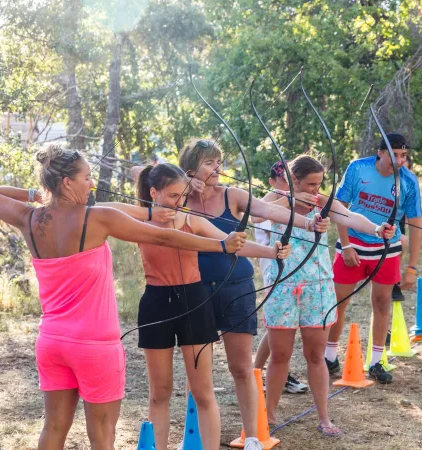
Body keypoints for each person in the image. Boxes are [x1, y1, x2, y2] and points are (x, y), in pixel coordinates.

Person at [0, 144, 247, 450]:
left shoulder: (30, 218)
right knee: (102, 437)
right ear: (67, 182)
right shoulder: (97, 217)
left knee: (52, 428)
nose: (92, 183)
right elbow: (162, 236)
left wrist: (34, 195)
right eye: (87, 177)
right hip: (94, 347)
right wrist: (222, 245)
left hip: (52, 343)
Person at [101, 163, 290, 450]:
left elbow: (232, 245)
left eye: (183, 195)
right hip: (156, 305)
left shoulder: (192, 219)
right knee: (159, 392)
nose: (179, 202)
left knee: (203, 392)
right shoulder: (139, 222)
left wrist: (270, 252)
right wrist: (150, 212)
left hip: (194, 302)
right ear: (154, 192)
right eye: (173, 195)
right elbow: (101, 208)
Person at [179, 139, 330, 450]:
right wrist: (183, 185)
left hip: (236, 287)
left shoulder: (232, 194)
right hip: (194, 289)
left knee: (241, 367)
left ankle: (253, 437)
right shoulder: (177, 197)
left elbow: (266, 211)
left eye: (219, 162)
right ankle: (195, 437)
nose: (217, 169)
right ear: (191, 168)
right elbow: (145, 183)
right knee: (197, 369)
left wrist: (309, 221)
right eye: (209, 163)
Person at [259, 155, 395, 436]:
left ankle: (324, 418)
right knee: (280, 354)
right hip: (283, 286)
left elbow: (351, 216)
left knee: (316, 355)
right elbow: (256, 214)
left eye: (319, 184)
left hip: (318, 286)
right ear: (294, 180)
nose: (316, 190)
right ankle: (268, 416)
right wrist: (294, 200)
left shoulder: (322, 201)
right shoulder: (275, 200)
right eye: (310, 184)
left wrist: (378, 228)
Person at [326, 133, 422, 384]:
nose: (398, 161)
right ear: (379, 152)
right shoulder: (358, 168)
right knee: (339, 301)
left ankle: (376, 362)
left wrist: (411, 266)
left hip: (386, 251)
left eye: (403, 156)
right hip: (353, 248)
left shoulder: (409, 182)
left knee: (382, 304)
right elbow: (339, 206)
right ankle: (329, 356)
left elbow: (415, 223)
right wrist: (346, 245)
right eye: (393, 154)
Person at [253, 161, 308, 394]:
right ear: (272, 182)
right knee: (277, 326)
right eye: (283, 180)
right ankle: (256, 374)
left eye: (291, 180)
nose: (288, 185)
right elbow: (266, 221)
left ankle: (263, 373)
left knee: (280, 327)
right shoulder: (266, 204)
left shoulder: (296, 200)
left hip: (296, 270)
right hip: (274, 270)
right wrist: (288, 201)